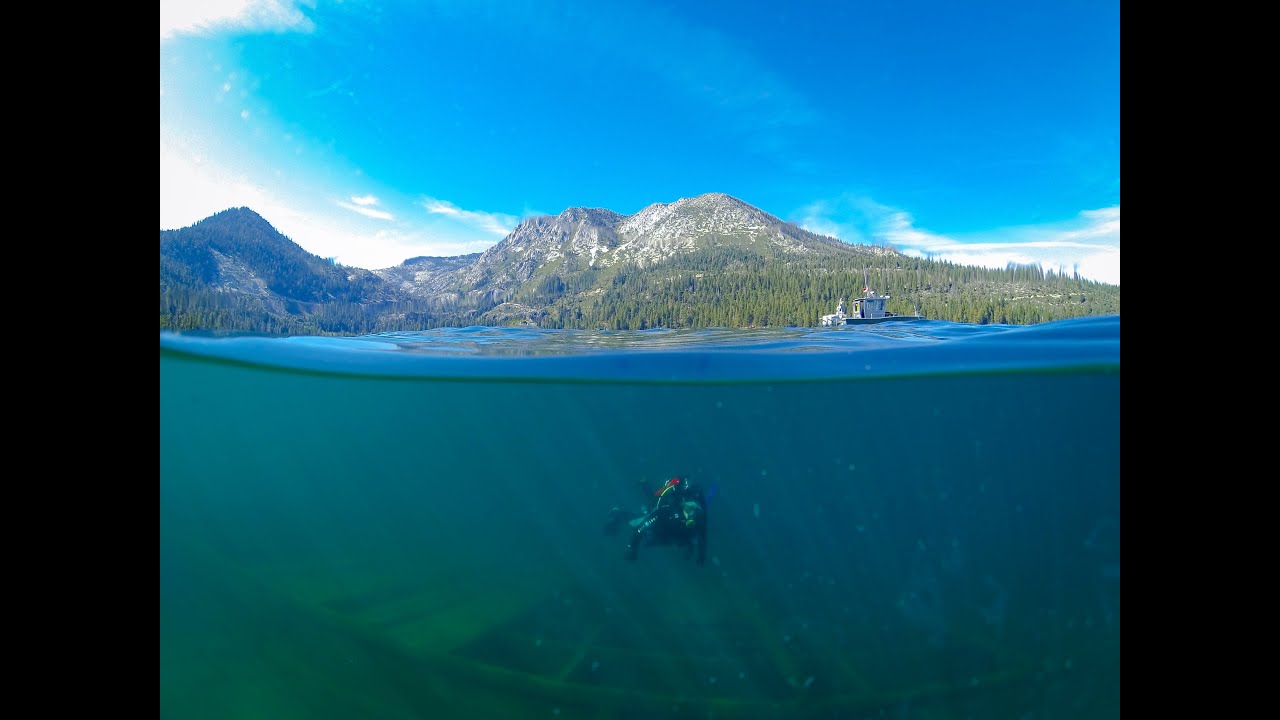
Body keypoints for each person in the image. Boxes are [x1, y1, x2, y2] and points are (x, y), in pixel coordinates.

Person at [603, 477, 707, 565]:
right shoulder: (667, 511)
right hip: (657, 528)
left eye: (696, 509)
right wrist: (632, 548)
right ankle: (617, 513)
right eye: (689, 509)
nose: (692, 513)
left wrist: (699, 554)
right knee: (636, 521)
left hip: (669, 535)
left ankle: (645, 485)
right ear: (683, 506)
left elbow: (702, 535)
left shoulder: (699, 519)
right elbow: (640, 529)